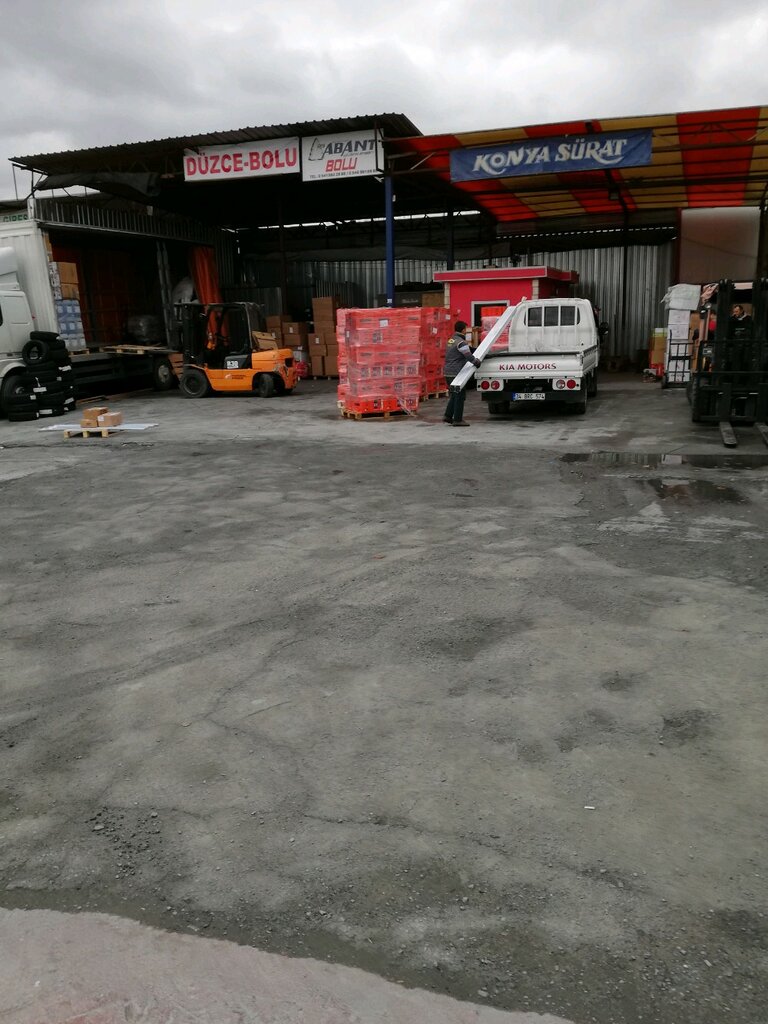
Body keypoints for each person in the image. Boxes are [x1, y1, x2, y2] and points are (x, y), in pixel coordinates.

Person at [443, 320, 482, 426]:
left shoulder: (451, 340)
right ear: (463, 330)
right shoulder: (461, 342)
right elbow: (468, 355)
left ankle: (448, 416)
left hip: (448, 372)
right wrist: (476, 362)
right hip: (456, 373)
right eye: (466, 329)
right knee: (460, 395)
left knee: (454, 395)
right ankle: (458, 420)